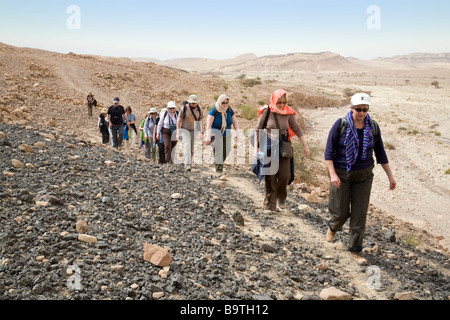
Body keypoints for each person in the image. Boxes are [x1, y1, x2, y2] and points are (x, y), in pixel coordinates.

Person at [324, 92, 397, 265]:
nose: (362, 113)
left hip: (364, 174)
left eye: (365, 109)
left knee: (359, 213)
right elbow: (328, 152)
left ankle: (355, 250)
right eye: (358, 109)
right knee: (340, 210)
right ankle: (334, 226)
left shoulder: (373, 127)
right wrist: (332, 174)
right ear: (351, 108)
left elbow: (380, 153)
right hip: (341, 173)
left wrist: (390, 176)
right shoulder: (340, 124)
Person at [253, 89, 310, 213]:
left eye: (284, 102)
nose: (282, 105)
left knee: (285, 175)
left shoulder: (288, 113)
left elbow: (297, 128)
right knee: (270, 176)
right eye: (279, 102)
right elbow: (258, 129)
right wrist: (256, 147)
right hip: (268, 146)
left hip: (283, 146)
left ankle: (281, 197)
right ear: (274, 100)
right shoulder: (267, 111)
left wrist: (305, 145)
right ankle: (269, 206)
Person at [205, 94, 240, 174]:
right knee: (218, 151)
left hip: (227, 133)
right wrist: (208, 136)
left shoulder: (229, 110)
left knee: (227, 150)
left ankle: (218, 163)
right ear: (219, 102)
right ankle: (218, 171)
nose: (225, 104)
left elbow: (234, 121)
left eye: (226, 102)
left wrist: (238, 133)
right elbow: (209, 125)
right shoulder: (214, 110)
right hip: (216, 133)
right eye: (223, 103)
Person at [177, 95, 204, 171]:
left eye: (195, 103)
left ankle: (189, 162)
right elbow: (179, 120)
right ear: (189, 102)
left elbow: (201, 120)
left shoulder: (199, 109)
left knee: (191, 148)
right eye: (192, 103)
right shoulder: (184, 108)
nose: (194, 104)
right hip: (185, 130)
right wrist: (178, 132)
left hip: (194, 130)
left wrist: (201, 132)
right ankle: (188, 164)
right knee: (187, 146)